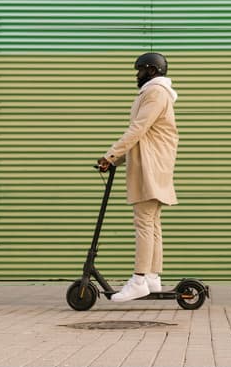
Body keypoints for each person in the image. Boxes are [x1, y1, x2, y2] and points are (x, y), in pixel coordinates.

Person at [97, 52, 179, 302]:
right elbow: (143, 134)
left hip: (150, 168)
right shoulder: (158, 93)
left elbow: (138, 129)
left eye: (140, 70)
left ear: (152, 71)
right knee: (152, 225)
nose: (137, 75)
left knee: (144, 224)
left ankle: (139, 280)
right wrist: (116, 160)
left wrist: (110, 155)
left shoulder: (155, 93)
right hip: (154, 165)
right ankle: (153, 277)